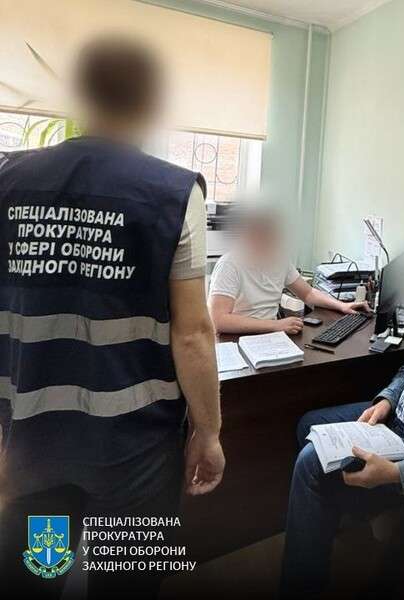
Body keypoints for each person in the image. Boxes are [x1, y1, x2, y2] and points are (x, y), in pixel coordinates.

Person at [0, 36, 225, 598]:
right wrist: (208, 432)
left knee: (37, 578)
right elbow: (193, 334)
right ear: (151, 102)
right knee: (127, 584)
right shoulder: (173, 193)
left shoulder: (9, 180)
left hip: (33, 441)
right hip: (135, 454)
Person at [280, 251, 404, 596]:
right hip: (398, 418)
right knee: (308, 424)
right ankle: (335, 514)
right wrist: (386, 400)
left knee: (310, 464)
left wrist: (394, 474)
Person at [208, 209, 369, 335]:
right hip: (236, 338)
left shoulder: (279, 258)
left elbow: (308, 293)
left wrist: (342, 305)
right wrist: (275, 325)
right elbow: (219, 320)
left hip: (270, 335)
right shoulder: (230, 264)